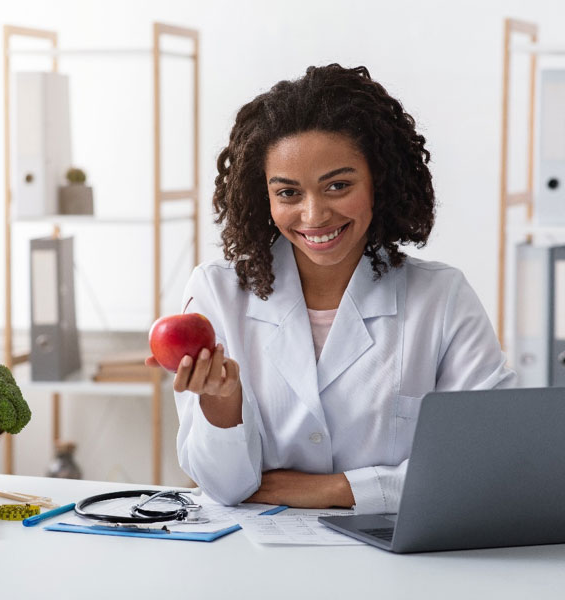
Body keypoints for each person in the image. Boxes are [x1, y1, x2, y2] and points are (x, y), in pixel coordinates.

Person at [147, 64, 516, 514]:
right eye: (288, 194)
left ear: (380, 180)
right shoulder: (218, 293)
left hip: (400, 570)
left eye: (338, 186)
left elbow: (488, 465)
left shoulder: (442, 298)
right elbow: (224, 488)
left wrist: (334, 489)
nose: (314, 214)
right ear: (261, 195)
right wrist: (222, 403)